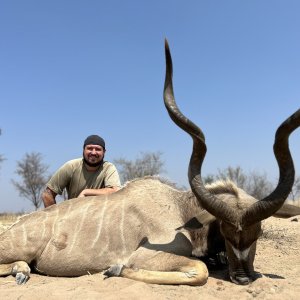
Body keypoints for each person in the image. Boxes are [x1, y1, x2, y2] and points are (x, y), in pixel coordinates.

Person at [42, 134, 121, 208]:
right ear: (83, 150)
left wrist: (86, 192)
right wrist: (56, 219)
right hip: (74, 212)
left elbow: (115, 191)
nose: (93, 152)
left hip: (99, 214)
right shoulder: (71, 166)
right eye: (90, 148)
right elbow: (47, 194)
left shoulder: (109, 168)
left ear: (104, 152)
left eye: (98, 149)